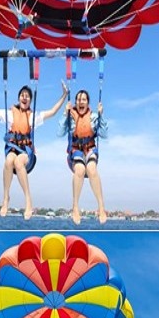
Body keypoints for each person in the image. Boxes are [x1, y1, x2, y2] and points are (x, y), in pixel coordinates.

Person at [0, 82, 68, 220]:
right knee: (9, 161)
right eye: (22, 95)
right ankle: (6, 198)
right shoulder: (9, 114)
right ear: (19, 98)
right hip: (13, 148)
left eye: (27, 96)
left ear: (30, 100)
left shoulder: (33, 116)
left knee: (19, 162)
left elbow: (53, 112)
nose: (24, 98)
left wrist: (64, 95)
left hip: (27, 154)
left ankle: (28, 201)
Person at [58, 89, 109, 225]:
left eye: (84, 100)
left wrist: (101, 115)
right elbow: (59, 133)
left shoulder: (93, 117)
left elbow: (104, 135)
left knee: (91, 169)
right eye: (79, 99)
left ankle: (101, 207)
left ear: (88, 103)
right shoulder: (70, 116)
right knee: (80, 170)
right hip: (75, 151)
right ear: (75, 102)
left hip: (90, 149)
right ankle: (75, 207)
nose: (81, 102)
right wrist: (65, 113)